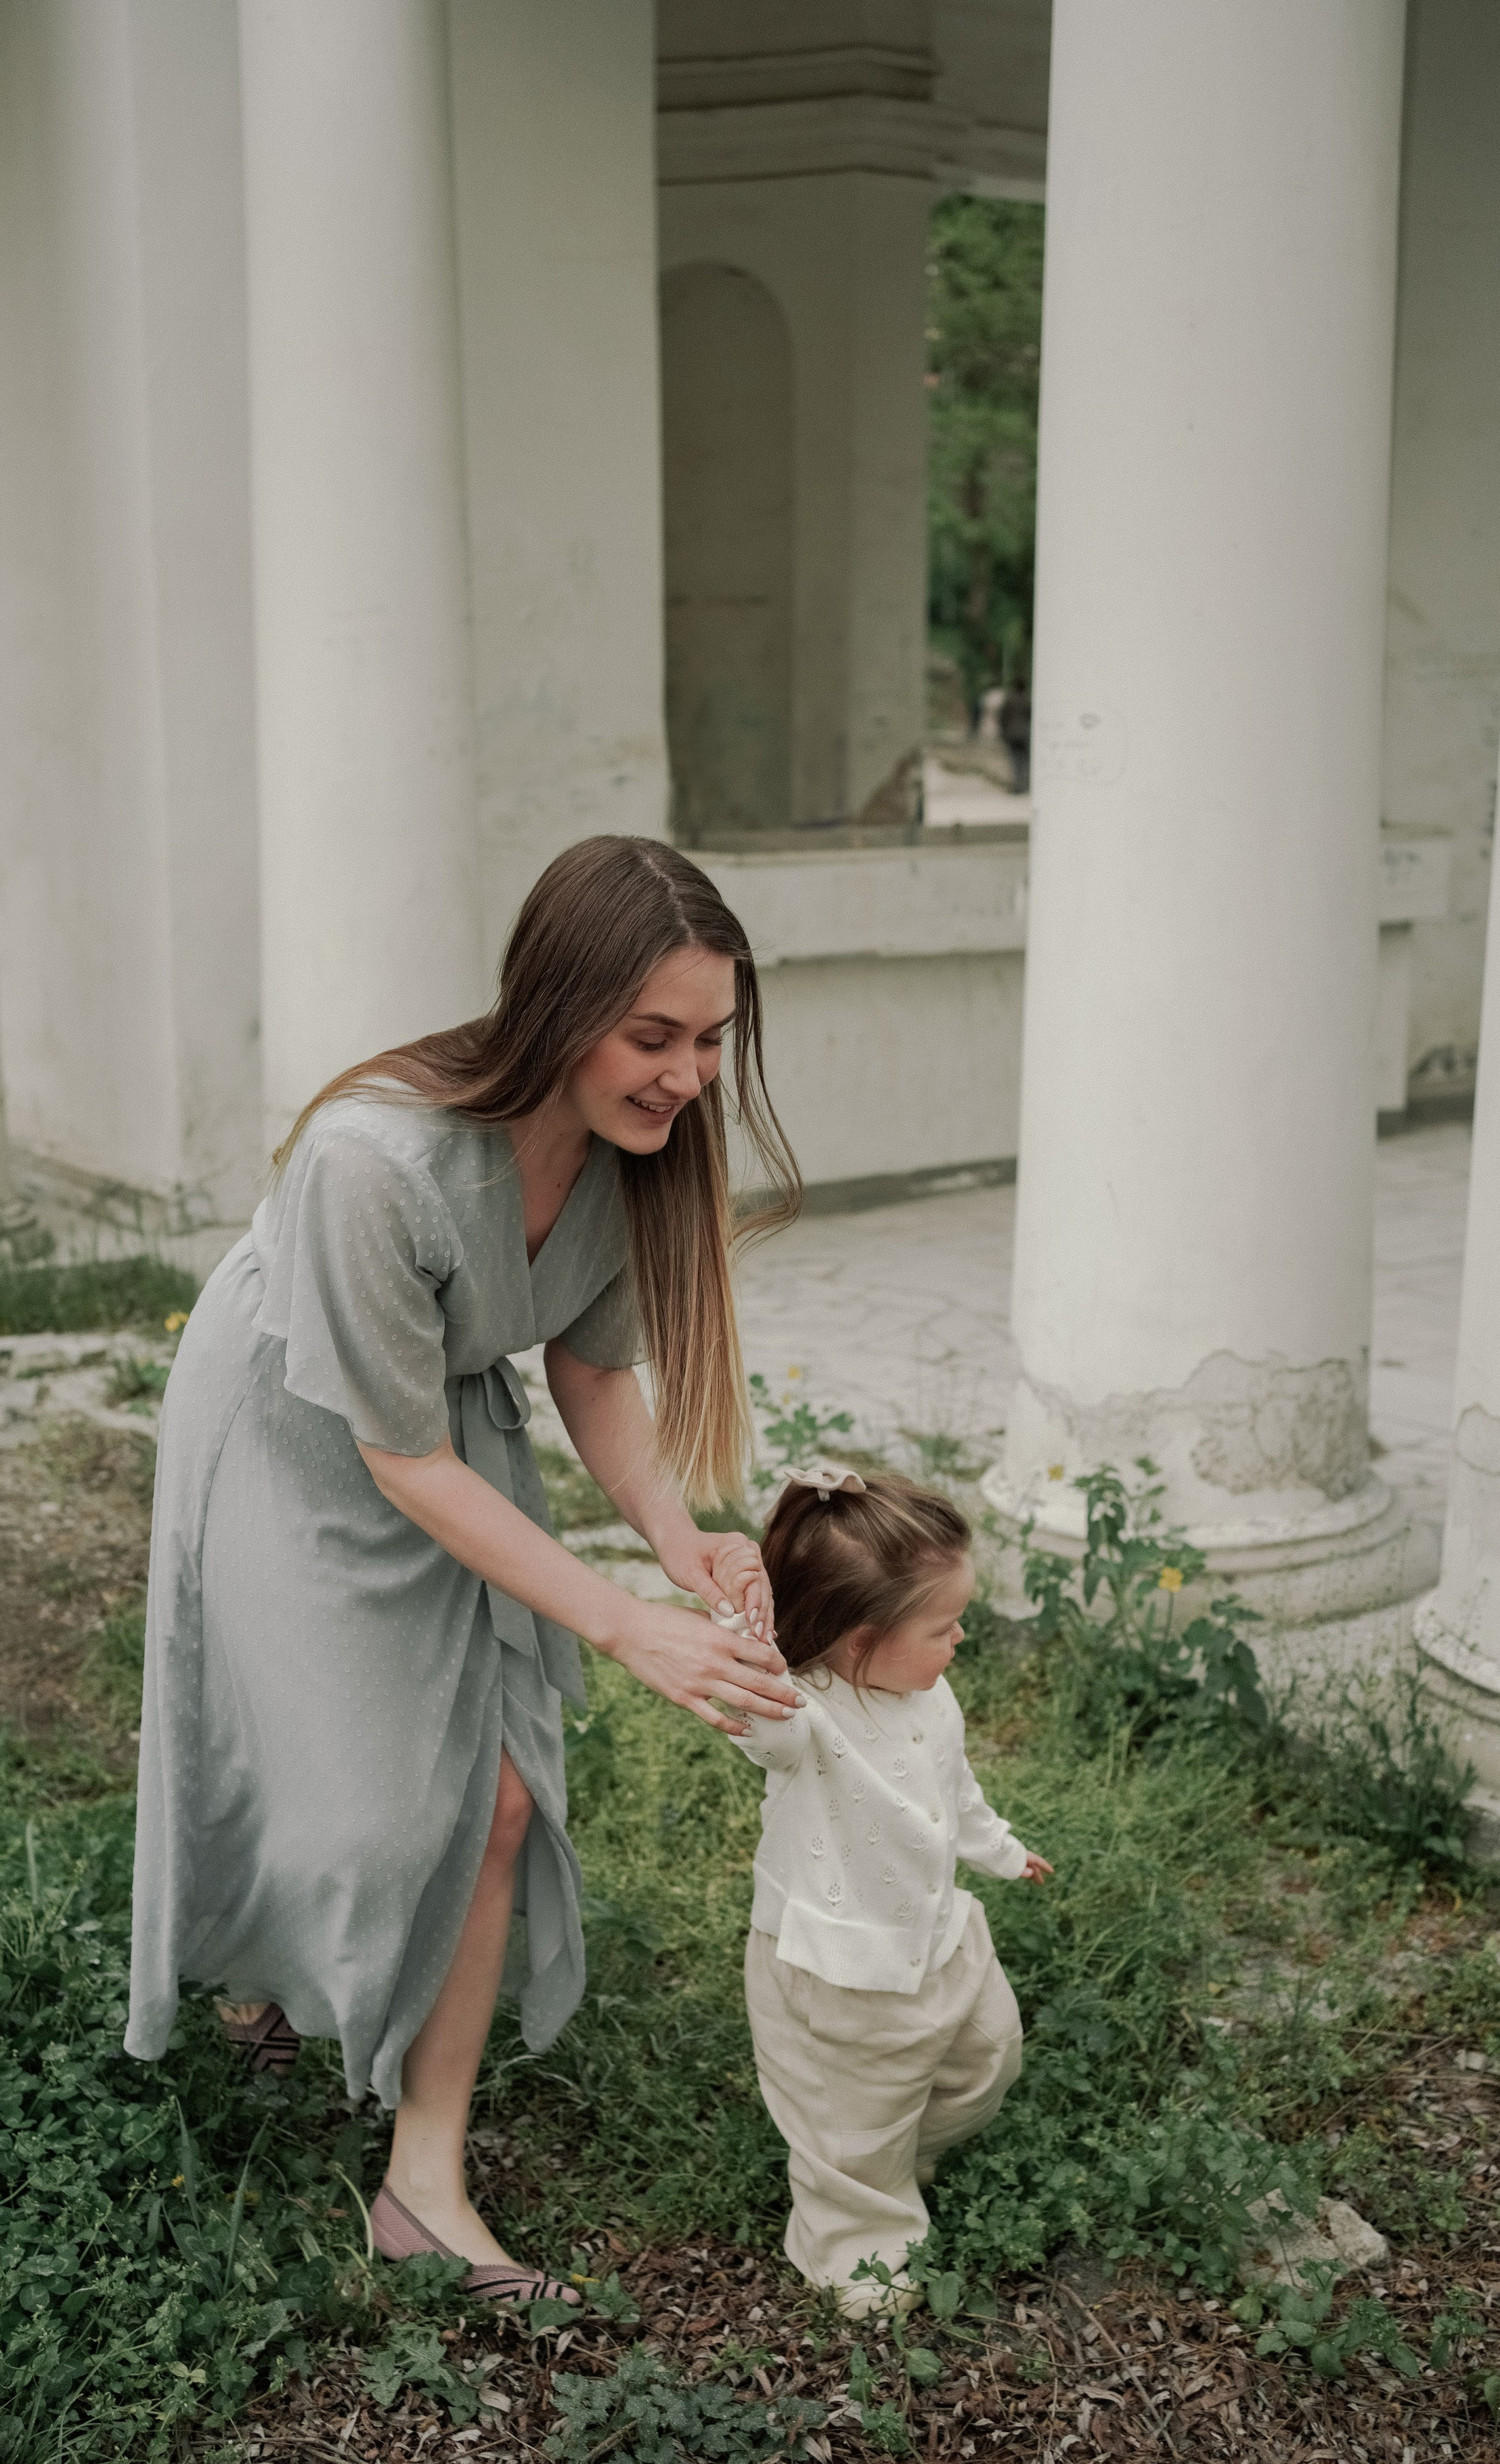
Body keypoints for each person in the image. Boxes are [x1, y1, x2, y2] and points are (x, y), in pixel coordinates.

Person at [126, 836, 805, 2305]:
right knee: (307, 1756)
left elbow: (589, 1367)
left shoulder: (638, 1148)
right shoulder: (372, 1164)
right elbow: (399, 1461)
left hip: (432, 1429)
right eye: (652, 1038)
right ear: (556, 1006)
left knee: (490, 1793)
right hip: (292, 1432)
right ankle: (270, 1966)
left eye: (710, 1040)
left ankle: (420, 2186)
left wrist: (680, 1541)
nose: (689, 1077)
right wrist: (626, 1625)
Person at [717, 1466, 1052, 2316]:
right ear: (859, 1640)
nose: (960, 1639)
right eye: (942, 1626)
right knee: (852, 2126)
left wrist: (1002, 1852)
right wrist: (742, 1631)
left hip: (940, 1938)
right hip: (842, 1964)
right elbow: (757, 1715)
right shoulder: (801, 1717)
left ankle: (906, 2156)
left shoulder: (928, 1695)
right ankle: (857, 2247)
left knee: (988, 2056)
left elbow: (955, 1791)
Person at [998, 680, 1032, 792]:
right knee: (1025, 761)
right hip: (1025, 734)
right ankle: (1025, 785)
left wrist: (1003, 732)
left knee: (1015, 761)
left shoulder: (1010, 700)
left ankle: (1016, 786)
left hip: (1012, 734)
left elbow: (1003, 717)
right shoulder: (1028, 700)